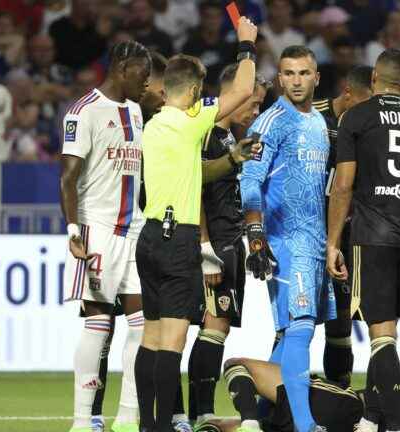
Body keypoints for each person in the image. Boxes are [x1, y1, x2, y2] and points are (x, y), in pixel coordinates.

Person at [135, 17, 258, 432]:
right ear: (191, 92)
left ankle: (150, 425)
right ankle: (164, 426)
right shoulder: (191, 121)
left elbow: (192, 173)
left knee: (151, 338)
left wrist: (232, 160)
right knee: (172, 340)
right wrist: (246, 46)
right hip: (177, 239)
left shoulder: (151, 127)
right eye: (199, 93)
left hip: (149, 236)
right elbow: (241, 91)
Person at [326, 48, 400, 432]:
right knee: (388, 331)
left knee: (381, 336)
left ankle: (392, 425)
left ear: (375, 77)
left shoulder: (356, 117)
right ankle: (371, 417)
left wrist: (332, 243)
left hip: (371, 235)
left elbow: (343, 186)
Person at [239, 45, 336, 432]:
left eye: (303, 73)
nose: (296, 81)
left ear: (316, 77)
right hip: (285, 242)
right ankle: (305, 424)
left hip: (313, 241)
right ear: (279, 78)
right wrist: (256, 235)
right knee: (301, 327)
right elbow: (249, 179)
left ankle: (263, 418)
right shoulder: (269, 122)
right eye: (289, 74)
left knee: (291, 331)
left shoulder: (317, 122)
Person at [59, 40, 152, 432]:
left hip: (135, 231)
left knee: (144, 323)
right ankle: (83, 420)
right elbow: (68, 178)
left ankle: (127, 416)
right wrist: (73, 229)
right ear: (123, 67)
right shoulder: (83, 112)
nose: (146, 84)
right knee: (98, 322)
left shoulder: (135, 109)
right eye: (143, 75)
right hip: (97, 230)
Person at [186, 66, 270, 428]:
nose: (255, 111)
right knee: (213, 325)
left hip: (230, 241)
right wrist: (205, 246)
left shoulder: (225, 137)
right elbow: (194, 191)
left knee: (218, 327)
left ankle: (199, 411)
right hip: (215, 244)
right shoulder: (205, 134)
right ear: (234, 93)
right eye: (252, 102)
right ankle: (198, 412)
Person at [191, 357, 400, 432]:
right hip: (329, 420)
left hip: (338, 405)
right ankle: (238, 423)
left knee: (236, 364)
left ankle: (247, 421)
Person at [312, 65, 374, 387]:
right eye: (364, 103)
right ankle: (278, 407)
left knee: (340, 322)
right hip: (307, 233)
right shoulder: (313, 115)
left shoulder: (365, 126)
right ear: (347, 93)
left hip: (343, 234)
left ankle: (341, 393)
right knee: (298, 323)